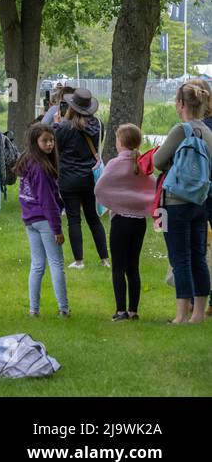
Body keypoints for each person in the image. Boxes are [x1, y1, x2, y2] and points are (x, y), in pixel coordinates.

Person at [151, 79, 212, 324]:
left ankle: (181, 315)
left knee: (179, 258)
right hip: (199, 202)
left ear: (181, 104)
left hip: (174, 203)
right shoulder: (208, 132)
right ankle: (198, 314)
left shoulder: (180, 130)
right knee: (198, 257)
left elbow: (157, 161)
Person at [95, 123, 156, 321]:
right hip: (139, 221)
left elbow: (100, 188)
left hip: (120, 220)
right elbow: (154, 186)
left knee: (118, 266)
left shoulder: (115, 163)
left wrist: (114, 203)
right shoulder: (143, 162)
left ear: (120, 142)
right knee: (133, 266)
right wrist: (142, 204)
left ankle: (121, 311)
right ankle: (133, 310)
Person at [51, 88, 109, 269]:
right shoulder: (98, 125)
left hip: (68, 178)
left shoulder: (63, 127)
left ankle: (79, 261)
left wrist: (56, 126)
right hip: (90, 177)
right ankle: (104, 259)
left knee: (74, 219)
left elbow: (57, 149)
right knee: (93, 218)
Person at [15, 124, 69, 318]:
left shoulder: (28, 161)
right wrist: (57, 230)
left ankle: (34, 309)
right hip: (44, 220)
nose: (49, 144)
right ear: (35, 142)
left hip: (30, 220)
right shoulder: (40, 168)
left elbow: (24, 196)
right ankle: (63, 309)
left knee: (37, 265)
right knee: (56, 263)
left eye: (51, 140)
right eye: (44, 140)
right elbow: (48, 202)